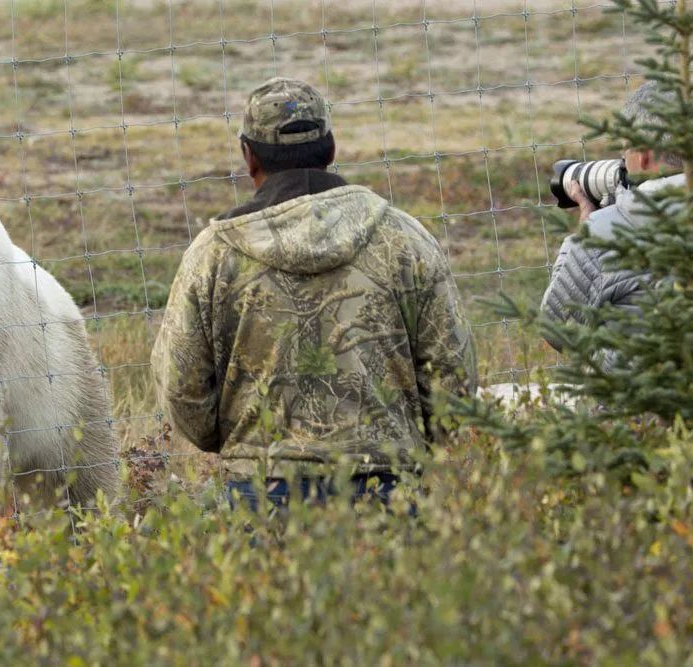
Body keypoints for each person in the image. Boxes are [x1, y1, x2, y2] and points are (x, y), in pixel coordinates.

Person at [151, 77, 477, 510]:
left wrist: (241, 445)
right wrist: (414, 443)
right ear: (331, 148)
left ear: (248, 156)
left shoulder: (214, 255)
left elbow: (182, 386)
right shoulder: (403, 239)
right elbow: (453, 373)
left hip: (263, 490)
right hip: (386, 486)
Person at [541, 81, 693, 351]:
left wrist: (585, 236)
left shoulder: (605, 235)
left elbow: (557, 329)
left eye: (625, 151)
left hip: (642, 390)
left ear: (644, 156)